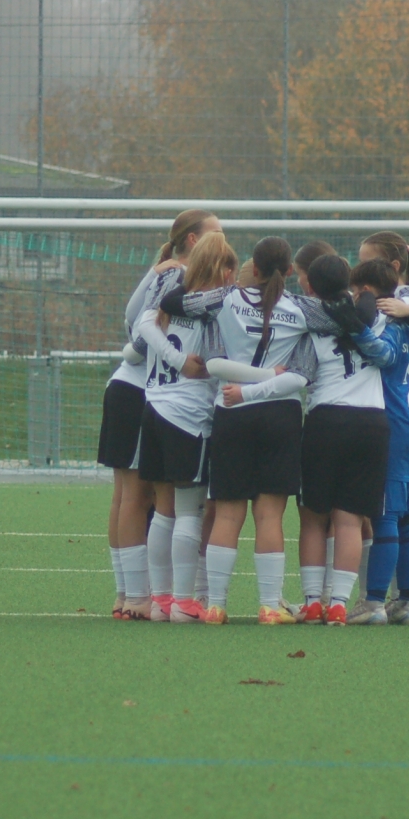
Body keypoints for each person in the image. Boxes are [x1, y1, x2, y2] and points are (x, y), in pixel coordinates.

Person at [160, 235, 316, 625]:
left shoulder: (225, 299)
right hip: (280, 414)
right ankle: (268, 606)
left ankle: (215, 606)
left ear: (254, 268)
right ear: (290, 271)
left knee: (227, 514)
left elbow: (176, 302)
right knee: (270, 516)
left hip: (231, 410)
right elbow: (313, 359)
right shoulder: (302, 309)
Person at [103, 209, 222, 618]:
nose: (223, 240)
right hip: (145, 393)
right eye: (217, 233)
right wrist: (175, 357)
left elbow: (133, 325)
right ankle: (140, 596)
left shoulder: (166, 273)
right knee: (142, 498)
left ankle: (131, 594)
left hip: (135, 389)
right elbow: (137, 335)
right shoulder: (180, 278)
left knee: (130, 496)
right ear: (193, 241)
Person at [131, 231, 237, 623]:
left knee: (164, 511)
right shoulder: (216, 306)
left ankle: (160, 600)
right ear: (223, 270)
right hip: (188, 417)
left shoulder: (170, 297)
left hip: (154, 408)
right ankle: (183, 602)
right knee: (190, 512)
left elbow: (142, 324)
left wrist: (172, 359)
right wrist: (183, 362)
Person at [344, 257, 409, 625]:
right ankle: (407, 602)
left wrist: (355, 329)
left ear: (366, 291)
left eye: (356, 292)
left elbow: (383, 354)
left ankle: (373, 603)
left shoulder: (386, 323)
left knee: (384, 513)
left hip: (392, 425)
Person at [291, 251, 389, 626]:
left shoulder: (311, 324)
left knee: (314, 518)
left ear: (312, 287)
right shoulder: (377, 316)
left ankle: (313, 602)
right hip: (372, 422)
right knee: (350, 520)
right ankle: (339, 605)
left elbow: (301, 373)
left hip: (327, 419)